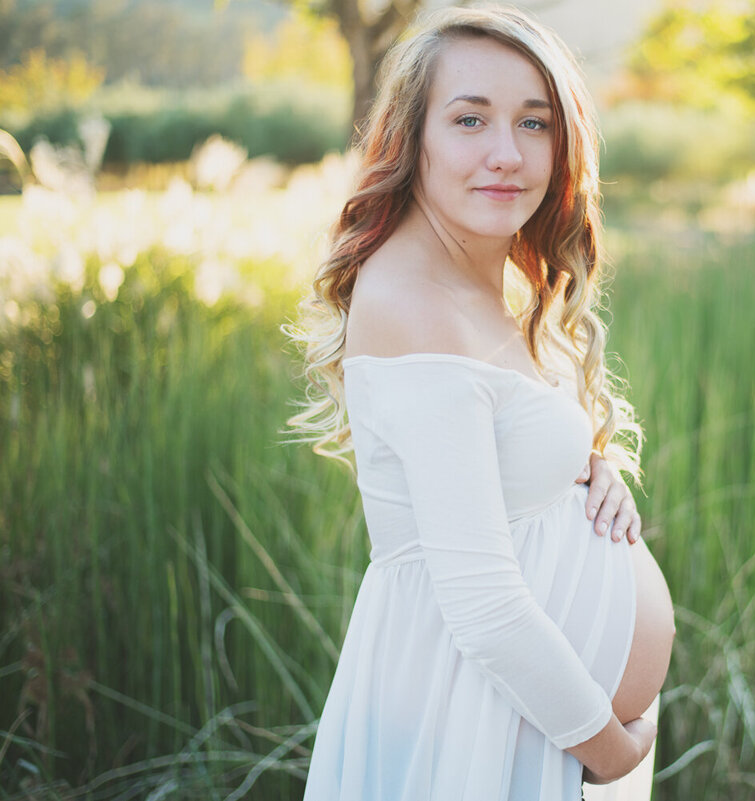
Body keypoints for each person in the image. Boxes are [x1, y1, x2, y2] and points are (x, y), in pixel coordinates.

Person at [284, 5, 675, 800]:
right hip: (476, 729)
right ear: (411, 137)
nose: (507, 154)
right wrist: (609, 749)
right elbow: (485, 602)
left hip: (528, 722)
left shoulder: (489, 282)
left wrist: (587, 472)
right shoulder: (410, 301)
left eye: (534, 123)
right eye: (470, 119)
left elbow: (501, 462)